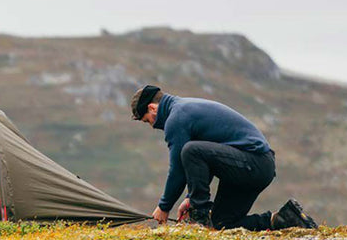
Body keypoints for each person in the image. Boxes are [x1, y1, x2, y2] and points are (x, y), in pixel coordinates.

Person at [130, 84, 318, 231]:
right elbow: (207, 159)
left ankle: (199, 219)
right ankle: (284, 218)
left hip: (255, 162)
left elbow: (179, 167)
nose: (152, 126)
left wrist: (164, 206)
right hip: (252, 166)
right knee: (221, 224)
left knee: (190, 151)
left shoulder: (176, 118)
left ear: (152, 108)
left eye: (148, 121)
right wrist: (190, 197)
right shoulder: (184, 109)